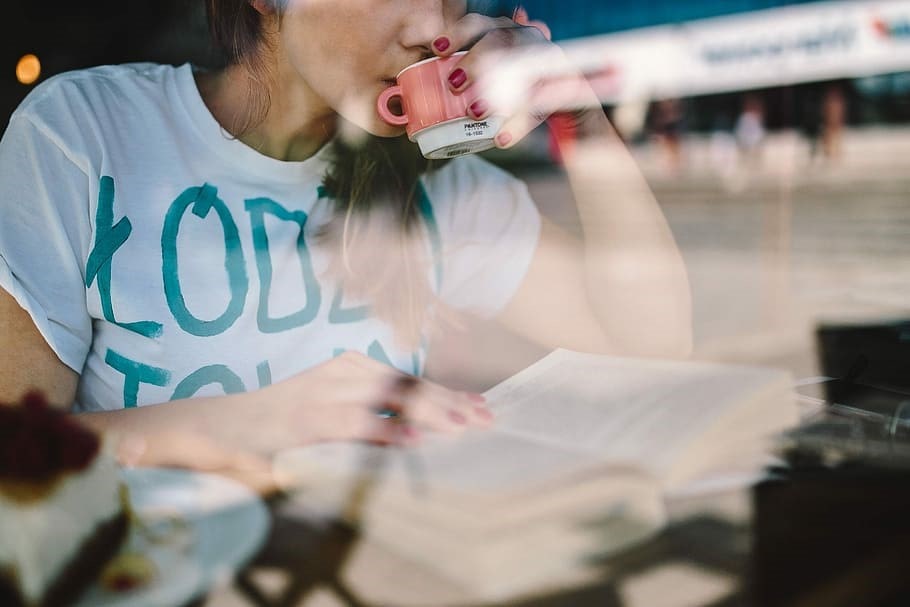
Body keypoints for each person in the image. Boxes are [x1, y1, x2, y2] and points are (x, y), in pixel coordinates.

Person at [0, 0, 691, 477]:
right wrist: (261, 420)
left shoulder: (436, 186)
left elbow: (653, 346)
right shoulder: (86, 135)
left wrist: (578, 111)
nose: (430, 25)